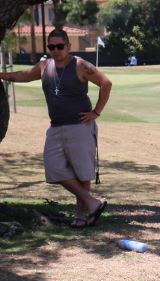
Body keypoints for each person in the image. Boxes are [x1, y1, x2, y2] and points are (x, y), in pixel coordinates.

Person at [0, 29, 110, 228]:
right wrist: (2, 75)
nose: (56, 50)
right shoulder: (44, 66)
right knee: (53, 168)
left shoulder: (80, 65)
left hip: (80, 126)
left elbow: (106, 83)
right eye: (52, 47)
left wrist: (96, 112)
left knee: (82, 173)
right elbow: (23, 76)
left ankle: (81, 216)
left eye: (60, 46)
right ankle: (93, 203)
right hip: (56, 127)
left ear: (68, 46)